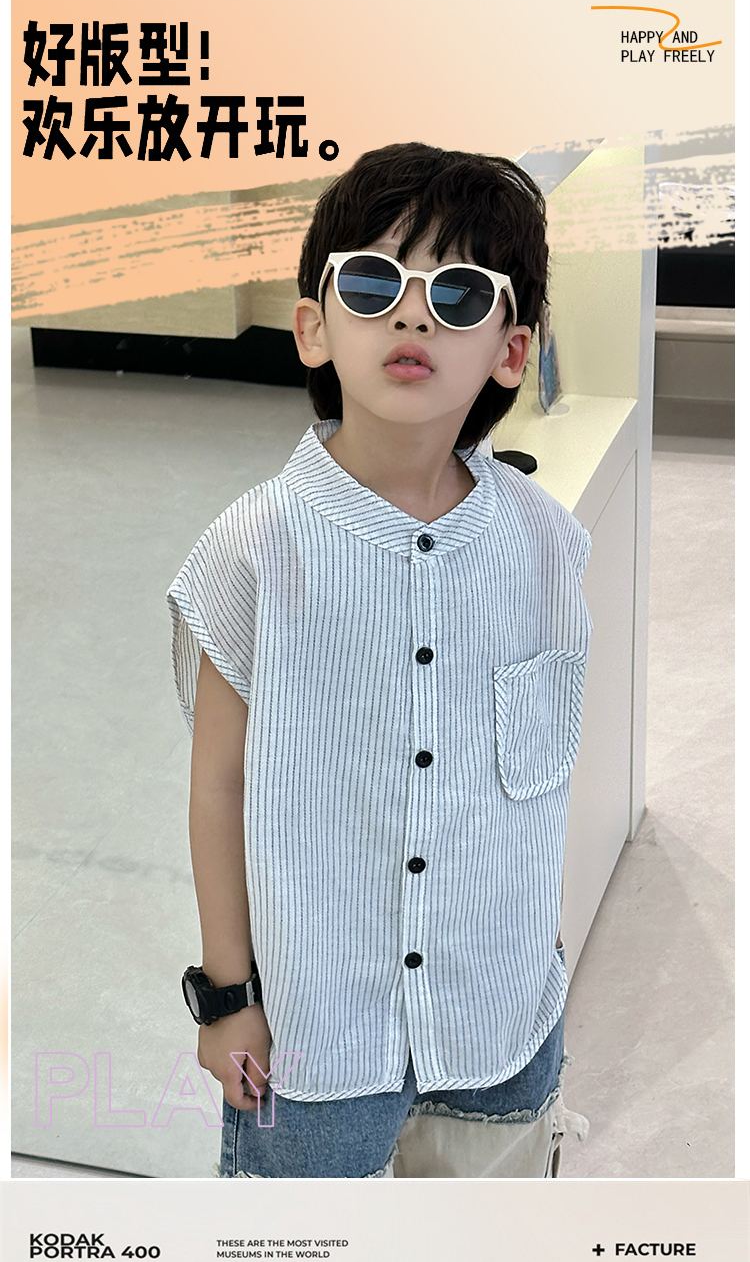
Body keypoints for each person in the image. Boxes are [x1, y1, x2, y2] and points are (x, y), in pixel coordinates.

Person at [167, 142, 592, 1179]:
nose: (412, 316)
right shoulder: (252, 549)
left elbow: (536, 778)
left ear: (511, 350)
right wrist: (228, 997)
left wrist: (535, 936)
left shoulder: (546, 544)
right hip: (317, 1032)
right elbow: (218, 785)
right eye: (371, 283)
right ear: (313, 326)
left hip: (499, 1013)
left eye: (458, 292)